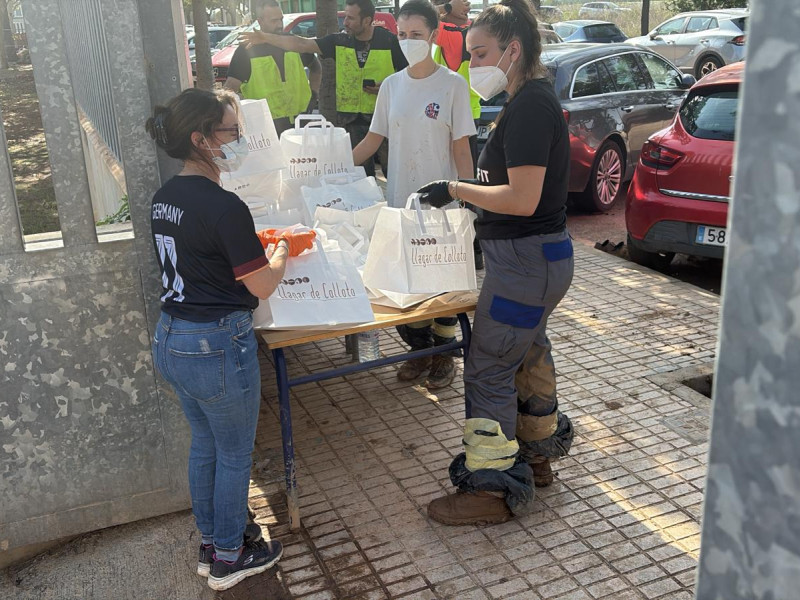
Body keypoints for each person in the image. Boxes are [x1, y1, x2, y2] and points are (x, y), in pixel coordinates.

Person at [145, 88, 315, 590]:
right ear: (200, 139)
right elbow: (261, 284)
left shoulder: (164, 198)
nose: (238, 141)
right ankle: (229, 555)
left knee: (207, 444)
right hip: (216, 343)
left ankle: (212, 542)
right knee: (235, 452)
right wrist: (281, 250)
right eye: (231, 133)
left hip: (173, 336)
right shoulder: (223, 206)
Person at [415, 0, 575, 525]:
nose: (471, 63)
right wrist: (471, 193)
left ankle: (489, 489)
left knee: (488, 367)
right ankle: (537, 454)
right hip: (542, 257)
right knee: (528, 353)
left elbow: (524, 197)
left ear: (513, 49)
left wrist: (455, 188)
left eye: (479, 53)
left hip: (524, 263)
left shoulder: (529, 104)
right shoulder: (531, 99)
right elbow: (519, 188)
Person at [352, 0, 476, 389]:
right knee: (407, 282)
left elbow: (461, 149)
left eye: (416, 35)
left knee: (440, 285)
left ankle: (443, 357)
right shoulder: (391, 86)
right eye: (402, 35)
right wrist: (331, 166)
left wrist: (469, 201)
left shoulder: (453, 85)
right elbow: (373, 140)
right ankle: (419, 352)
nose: (408, 42)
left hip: (442, 204)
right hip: (400, 202)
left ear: (434, 35)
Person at [241, 0, 407, 177]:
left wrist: (388, 85)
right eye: (345, 17)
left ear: (367, 21)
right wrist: (266, 37)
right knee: (358, 176)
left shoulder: (389, 41)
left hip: (383, 119)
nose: (345, 23)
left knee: (395, 173)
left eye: (351, 18)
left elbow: (408, 75)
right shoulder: (339, 40)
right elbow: (302, 44)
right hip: (350, 121)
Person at [431, 0, 486, 270]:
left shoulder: (460, 29)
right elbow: (428, 19)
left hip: (461, 116)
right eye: (462, 0)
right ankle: (471, 249)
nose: (467, 4)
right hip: (457, 115)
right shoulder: (453, 31)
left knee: (461, 182)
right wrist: (443, 7)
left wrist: (444, 8)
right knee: (465, 182)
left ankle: (469, 248)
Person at [224, 0, 321, 136]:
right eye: (274, 21)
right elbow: (229, 89)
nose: (279, 25)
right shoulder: (247, 50)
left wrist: (314, 95)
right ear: (260, 21)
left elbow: (316, 68)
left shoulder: (293, 43)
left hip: (300, 123)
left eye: (281, 19)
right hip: (266, 129)